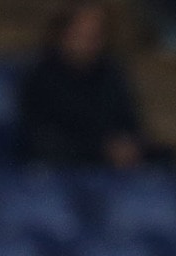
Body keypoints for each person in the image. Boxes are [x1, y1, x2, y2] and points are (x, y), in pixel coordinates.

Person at [15, 2, 156, 168]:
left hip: (113, 167)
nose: (88, 42)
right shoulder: (40, 78)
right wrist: (100, 150)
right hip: (64, 167)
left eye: (95, 35)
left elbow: (129, 123)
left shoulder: (111, 74)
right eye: (81, 34)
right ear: (62, 34)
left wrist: (127, 145)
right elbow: (41, 138)